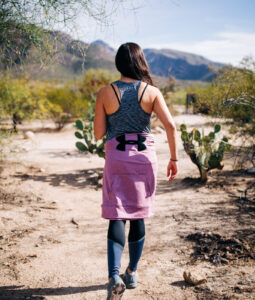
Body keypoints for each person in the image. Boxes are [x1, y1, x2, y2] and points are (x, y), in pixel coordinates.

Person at [94, 42, 178, 300]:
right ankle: (132, 272)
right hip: (143, 160)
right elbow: (171, 127)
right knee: (138, 214)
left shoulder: (105, 92)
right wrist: (174, 158)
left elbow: (98, 134)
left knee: (117, 214)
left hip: (117, 158)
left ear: (119, 64)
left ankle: (114, 276)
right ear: (140, 62)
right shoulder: (151, 92)